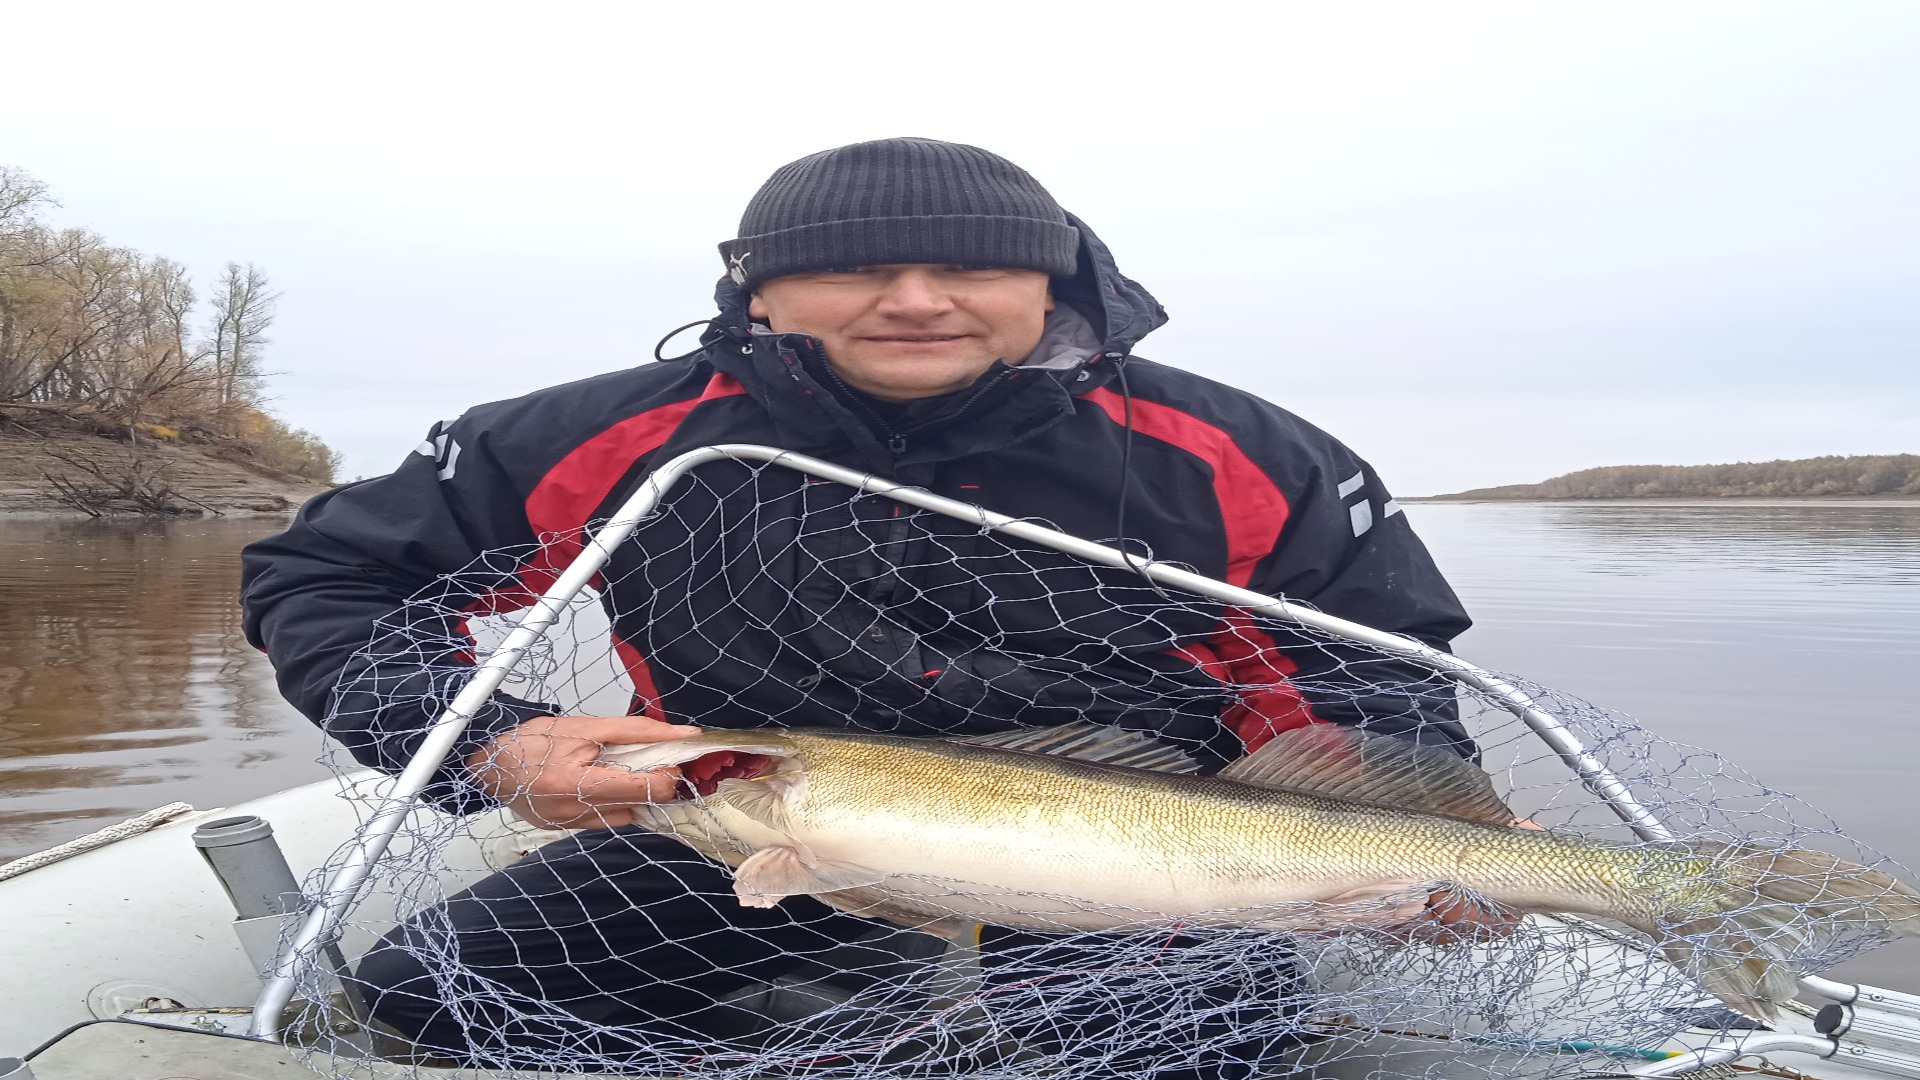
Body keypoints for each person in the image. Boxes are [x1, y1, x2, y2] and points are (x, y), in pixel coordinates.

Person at [240, 138, 1478, 1072]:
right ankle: (844, 978)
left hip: (1141, 849)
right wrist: (489, 741)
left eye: (972, 266)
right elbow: (329, 576)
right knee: (427, 995)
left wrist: (1430, 826)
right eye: (854, 268)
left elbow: (1378, 658)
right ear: (759, 292)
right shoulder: (597, 434)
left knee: (1195, 1048)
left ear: (1052, 282)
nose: (917, 299)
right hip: (733, 821)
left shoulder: (1242, 451)